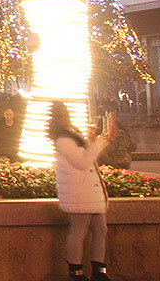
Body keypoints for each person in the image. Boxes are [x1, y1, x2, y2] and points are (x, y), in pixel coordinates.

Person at [49, 101, 113, 281]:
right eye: (62, 114)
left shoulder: (73, 134)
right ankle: (76, 272)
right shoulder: (63, 139)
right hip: (79, 191)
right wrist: (97, 144)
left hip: (88, 191)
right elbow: (82, 162)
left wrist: (96, 141)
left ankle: (99, 271)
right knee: (79, 230)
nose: (65, 117)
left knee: (100, 229)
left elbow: (86, 158)